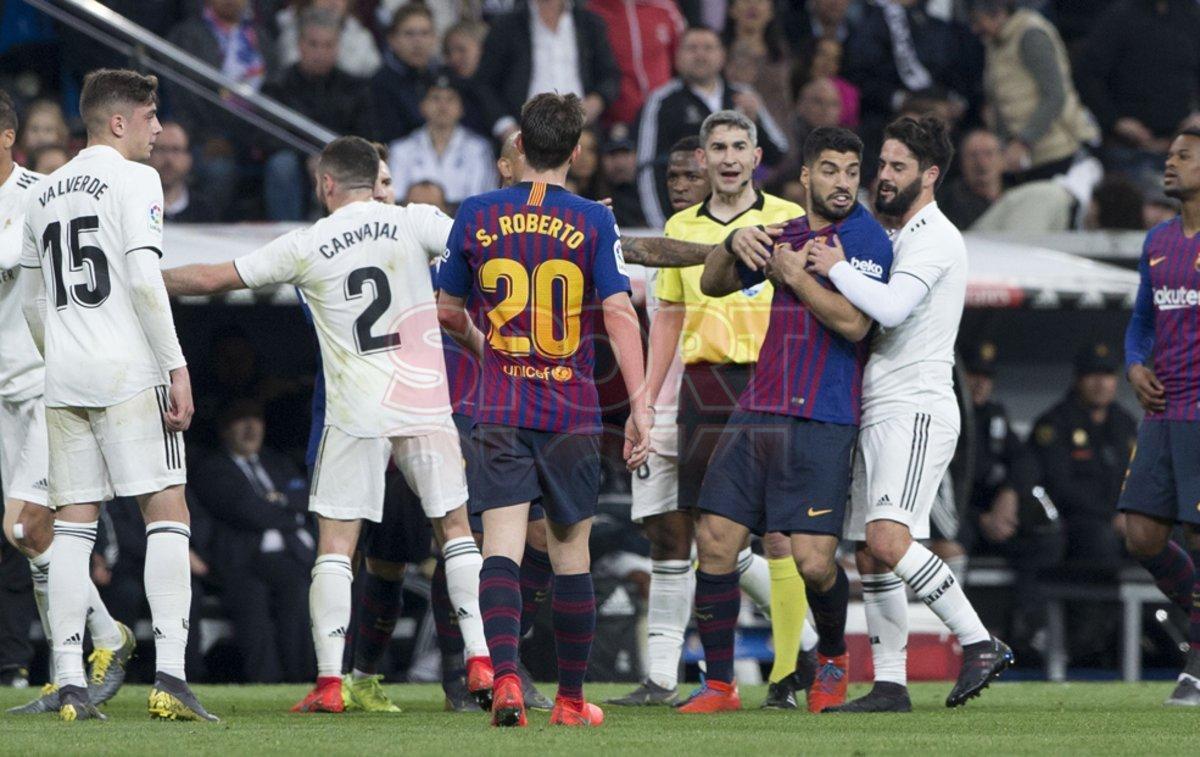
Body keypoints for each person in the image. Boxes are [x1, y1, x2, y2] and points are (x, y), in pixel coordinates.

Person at [161, 136, 491, 714]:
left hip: (355, 412)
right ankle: (482, 659)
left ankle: (331, 683)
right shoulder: (415, 221)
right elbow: (488, 242)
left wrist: (147, 278)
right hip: (423, 402)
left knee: (337, 549)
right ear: (374, 179)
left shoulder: (309, 242)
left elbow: (216, 277)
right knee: (456, 531)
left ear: (325, 184)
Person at [437, 92, 650, 728]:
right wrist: (639, 404)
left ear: (519, 147)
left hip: (500, 403)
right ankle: (569, 700)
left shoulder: (476, 212)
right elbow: (617, 312)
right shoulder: (593, 220)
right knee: (570, 554)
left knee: (499, 546)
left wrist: (486, 345)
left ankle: (504, 678)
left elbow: (447, 310)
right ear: (577, 153)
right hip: (571, 411)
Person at [18, 69, 213, 722]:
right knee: (167, 508)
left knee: (73, 526)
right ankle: (171, 678)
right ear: (119, 121)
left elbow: (31, 297)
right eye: (152, 115)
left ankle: (70, 678)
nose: (159, 129)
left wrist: (61, 353)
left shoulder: (42, 191)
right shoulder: (136, 179)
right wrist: (176, 366)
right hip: (127, 366)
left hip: (64, 374)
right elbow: (143, 279)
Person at [677, 126, 890, 715]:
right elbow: (713, 284)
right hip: (760, 407)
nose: (843, 182)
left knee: (814, 561)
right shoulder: (786, 232)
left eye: (851, 171)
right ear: (805, 176)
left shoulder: (867, 239)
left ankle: (831, 661)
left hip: (824, 415)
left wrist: (794, 276)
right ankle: (720, 685)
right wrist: (734, 244)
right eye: (830, 170)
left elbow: (855, 324)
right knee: (715, 538)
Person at [804, 116, 1012, 713]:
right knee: (869, 552)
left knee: (889, 538)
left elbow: (892, 311)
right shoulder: (898, 234)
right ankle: (891, 685)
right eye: (883, 164)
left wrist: (833, 266)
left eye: (897, 166)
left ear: (930, 175)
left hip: (917, 405)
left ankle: (977, 641)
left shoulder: (936, 236)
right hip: (881, 402)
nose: (883, 176)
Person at [616, 112, 812, 711]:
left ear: (756, 157)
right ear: (704, 160)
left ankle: (787, 677)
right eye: (718, 147)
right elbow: (669, 320)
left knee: (778, 536)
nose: (728, 157)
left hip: (770, 381)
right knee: (712, 534)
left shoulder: (786, 220)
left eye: (739, 146)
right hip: (704, 389)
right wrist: (645, 400)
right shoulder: (680, 226)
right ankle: (721, 683)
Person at [1, 88, 132, 713]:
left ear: (7, 137)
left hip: (44, 385)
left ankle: (100, 644)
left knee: (25, 526)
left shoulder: (37, 195)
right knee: (32, 540)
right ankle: (79, 662)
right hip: (4, 393)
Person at [1119, 127, 1200, 706]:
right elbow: (1142, 320)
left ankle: (1194, 667)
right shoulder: (1157, 241)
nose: (1168, 163)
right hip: (1163, 411)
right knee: (1142, 536)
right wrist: (1132, 365)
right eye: (1169, 154)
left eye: (1184, 156)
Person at [192, 399, 314, 683]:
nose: (250, 427)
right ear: (224, 430)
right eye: (240, 420)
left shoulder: (277, 462)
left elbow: (307, 497)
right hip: (240, 561)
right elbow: (246, 511)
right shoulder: (213, 469)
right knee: (252, 600)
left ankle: (301, 677)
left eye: (255, 419)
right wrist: (288, 511)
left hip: (285, 557)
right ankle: (266, 680)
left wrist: (281, 501)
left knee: (299, 587)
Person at [636, 26, 789, 229]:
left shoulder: (743, 95)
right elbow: (647, 166)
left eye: (708, 48)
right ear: (678, 56)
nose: (700, 55)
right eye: (692, 48)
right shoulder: (662, 100)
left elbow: (778, 153)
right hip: (685, 222)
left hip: (742, 222)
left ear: (722, 55)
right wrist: (661, 226)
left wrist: (757, 123)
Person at [166, 0, 278, 219]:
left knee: (283, 166)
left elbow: (276, 92)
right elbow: (183, 97)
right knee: (219, 169)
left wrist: (262, 140)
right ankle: (211, 236)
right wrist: (206, 138)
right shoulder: (188, 35)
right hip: (204, 136)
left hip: (255, 137)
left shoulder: (261, 37)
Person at [261, 9, 375, 220]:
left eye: (328, 45)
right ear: (300, 45)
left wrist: (330, 159)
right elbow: (266, 137)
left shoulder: (354, 88)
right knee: (282, 165)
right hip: (295, 164)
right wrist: (307, 156)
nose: (320, 52)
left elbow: (364, 136)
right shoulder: (278, 87)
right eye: (313, 44)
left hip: (340, 164)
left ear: (337, 47)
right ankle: (286, 236)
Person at [967, 0, 1098, 185]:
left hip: (1057, 149)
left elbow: (1054, 95)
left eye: (977, 21)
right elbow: (1000, 97)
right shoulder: (994, 42)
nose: (974, 29)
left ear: (998, 13)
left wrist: (1023, 142)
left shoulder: (1030, 35)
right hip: (1024, 156)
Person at [1076, 0, 1200, 186]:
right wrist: (1116, 121)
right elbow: (1086, 75)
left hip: (1184, 145)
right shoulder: (1120, 15)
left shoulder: (1190, 15)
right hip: (1128, 150)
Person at [473, 0, 621, 140]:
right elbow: (484, 84)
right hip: (525, 136)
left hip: (582, 137)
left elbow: (610, 76)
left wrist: (595, 102)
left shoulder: (590, 23)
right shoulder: (506, 25)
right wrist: (506, 128)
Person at [388, 76, 497, 207]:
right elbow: (396, 200)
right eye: (435, 98)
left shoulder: (479, 149)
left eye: (450, 99)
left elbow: (482, 201)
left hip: (463, 224)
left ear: (461, 108)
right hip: (413, 223)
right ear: (422, 106)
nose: (443, 106)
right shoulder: (401, 149)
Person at [587, 0, 687, 126]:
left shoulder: (666, 8)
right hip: (614, 121)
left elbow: (682, 63)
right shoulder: (594, 10)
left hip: (664, 117)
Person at [370, 3, 448, 144]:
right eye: (409, 34)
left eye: (425, 33)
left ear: (434, 38)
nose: (418, 42)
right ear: (392, 40)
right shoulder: (379, 85)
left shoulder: (444, 78)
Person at [275, 0, 382, 78]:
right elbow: (290, 62)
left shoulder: (360, 35)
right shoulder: (289, 25)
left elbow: (372, 67)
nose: (333, 2)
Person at [149, 122, 218, 223]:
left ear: (189, 158)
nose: (169, 159)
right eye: (161, 149)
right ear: (149, 155)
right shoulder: (134, 206)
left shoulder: (204, 211)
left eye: (176, 150)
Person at [937, 129, 1004, 230]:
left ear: (1001, 159)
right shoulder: (948, 203)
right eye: (973, 155)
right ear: (962, 162)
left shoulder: (1017, 193)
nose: (981, 162)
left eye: (989, 154)